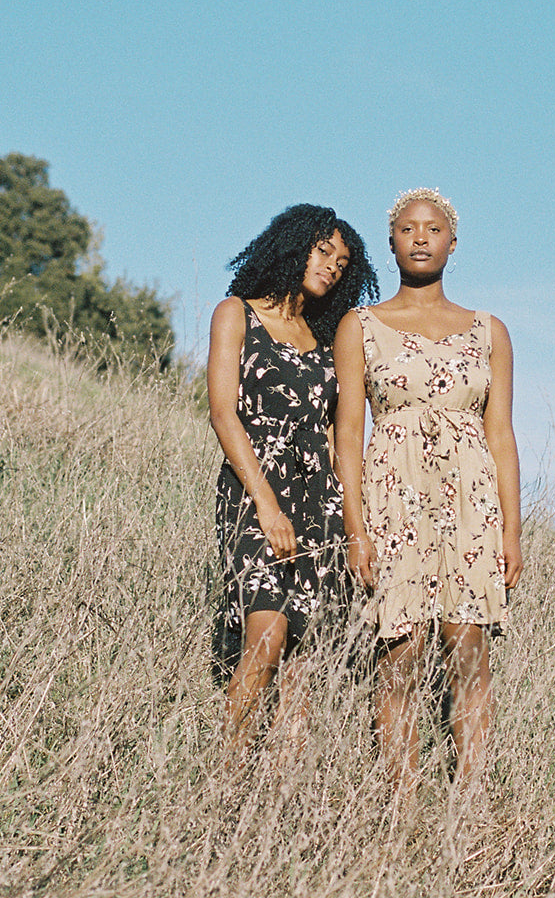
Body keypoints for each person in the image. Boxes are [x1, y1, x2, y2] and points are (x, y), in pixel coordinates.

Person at [333, 188, 523, 791]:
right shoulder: (359, 325)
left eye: (433, 228)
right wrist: (356, 529)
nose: (420, 237)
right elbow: (349, 435)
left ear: (452, 243)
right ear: (391, 243)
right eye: (408, 228)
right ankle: (400, 803)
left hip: (471, 503)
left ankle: (471, 797)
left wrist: (512, 532)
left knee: (468, 647)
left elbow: (502, 437)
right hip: (393, 495)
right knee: (402, 651)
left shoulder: (488, 330)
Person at [209, 204, 379, 747]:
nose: (331, 266)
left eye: (342, 262)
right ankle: (225, 784)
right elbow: (222, 412)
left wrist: (356, 521)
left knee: (305, 656)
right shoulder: (236, 313)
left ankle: (279, 805)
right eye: (322, 250)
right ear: (292, 245)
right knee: (266, 636)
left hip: (319, 496)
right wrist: (264, 502)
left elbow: (337, 436)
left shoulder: (327, 339)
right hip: (255, 487)